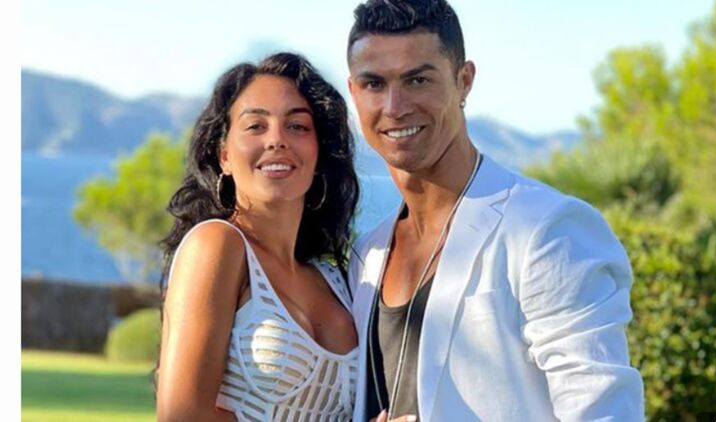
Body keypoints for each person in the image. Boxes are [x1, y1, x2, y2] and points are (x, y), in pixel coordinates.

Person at [345, 1, 646, 421]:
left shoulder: (547, 229)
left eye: (418, 79)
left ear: (463, 81)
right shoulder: (367, 254)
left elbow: (607, 414)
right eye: (374, 83)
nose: (395, 106)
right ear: (354, 91)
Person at [156, 52, 363, 421]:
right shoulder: (216, 245)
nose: (277, 140)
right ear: (224, 156)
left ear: (319, 154)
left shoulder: (333, 278)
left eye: (297, 126)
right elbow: (181, 417)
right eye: (255, 126)